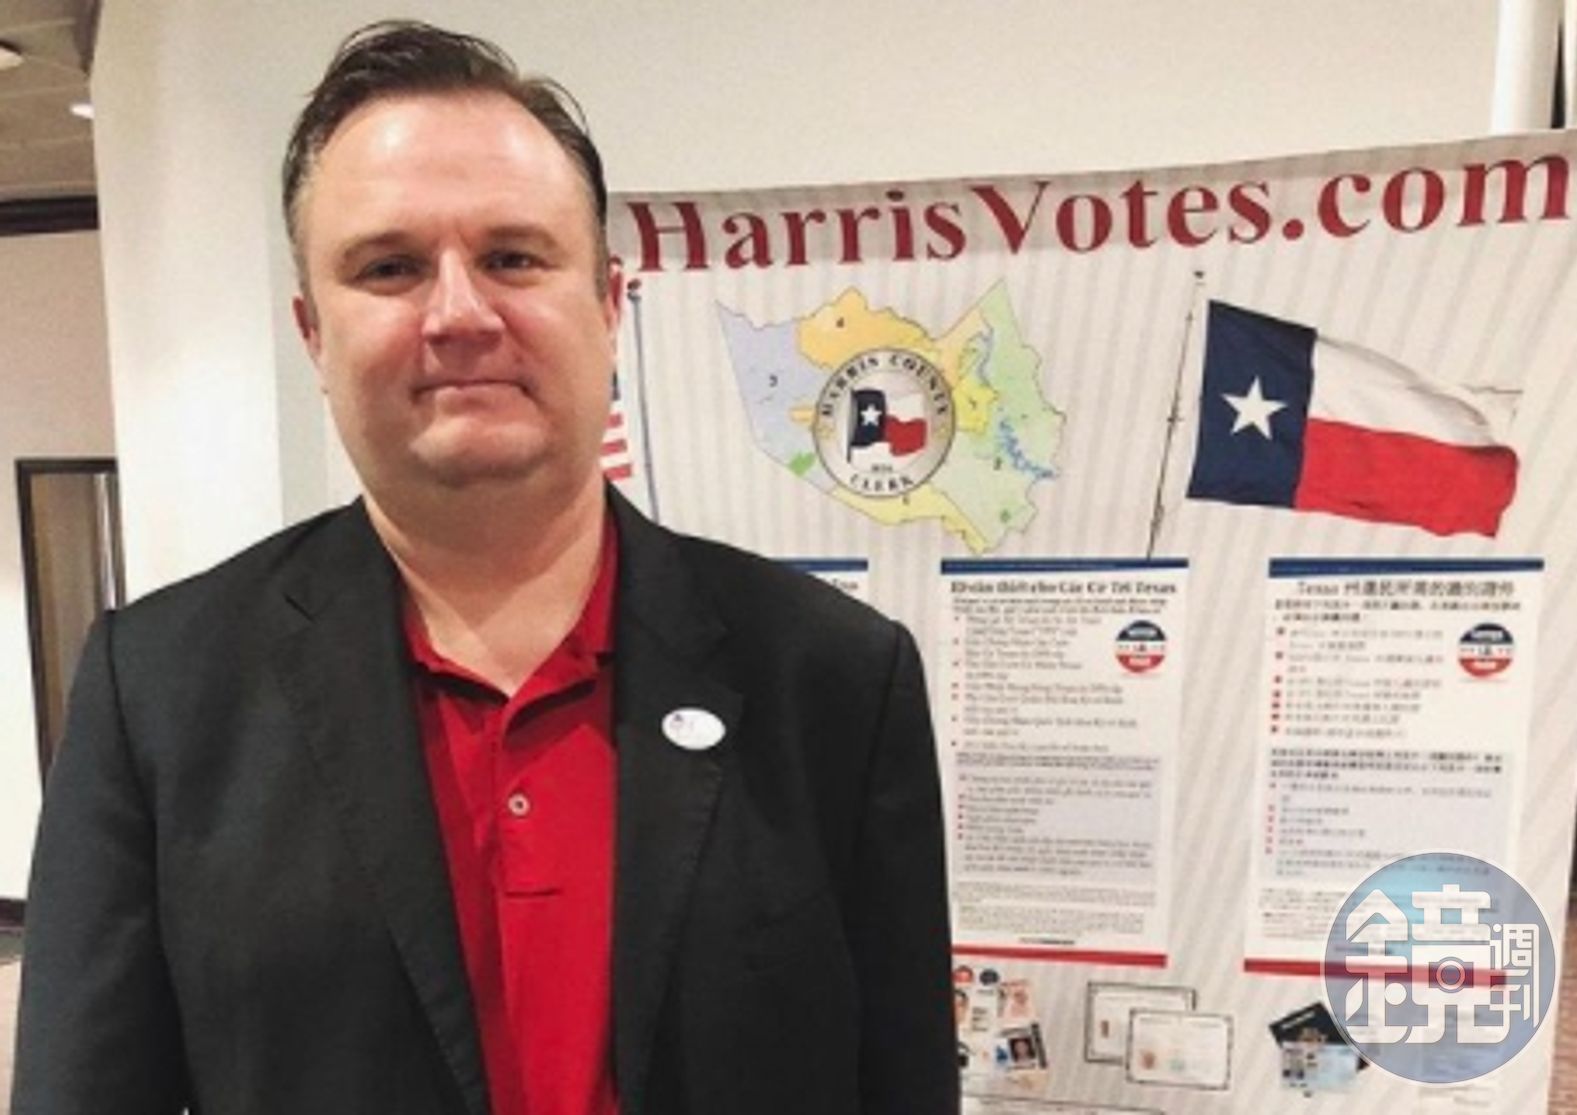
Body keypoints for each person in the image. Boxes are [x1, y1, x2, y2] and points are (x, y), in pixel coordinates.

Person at [12, 20, 957, 1115]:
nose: (459, 314)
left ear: (606, 305)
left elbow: (902, 1083)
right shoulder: (159, 693)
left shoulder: (832, 678)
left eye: (513, 256)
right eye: (390, 267)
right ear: (314, 334)